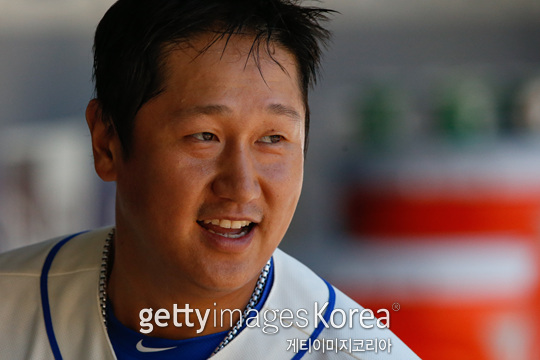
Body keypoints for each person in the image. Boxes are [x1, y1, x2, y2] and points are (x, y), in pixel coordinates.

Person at [0, 0, 420, 359]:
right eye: (204, 137)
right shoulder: (10, 310)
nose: (241, 186)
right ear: (107, 142)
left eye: (273, 139)